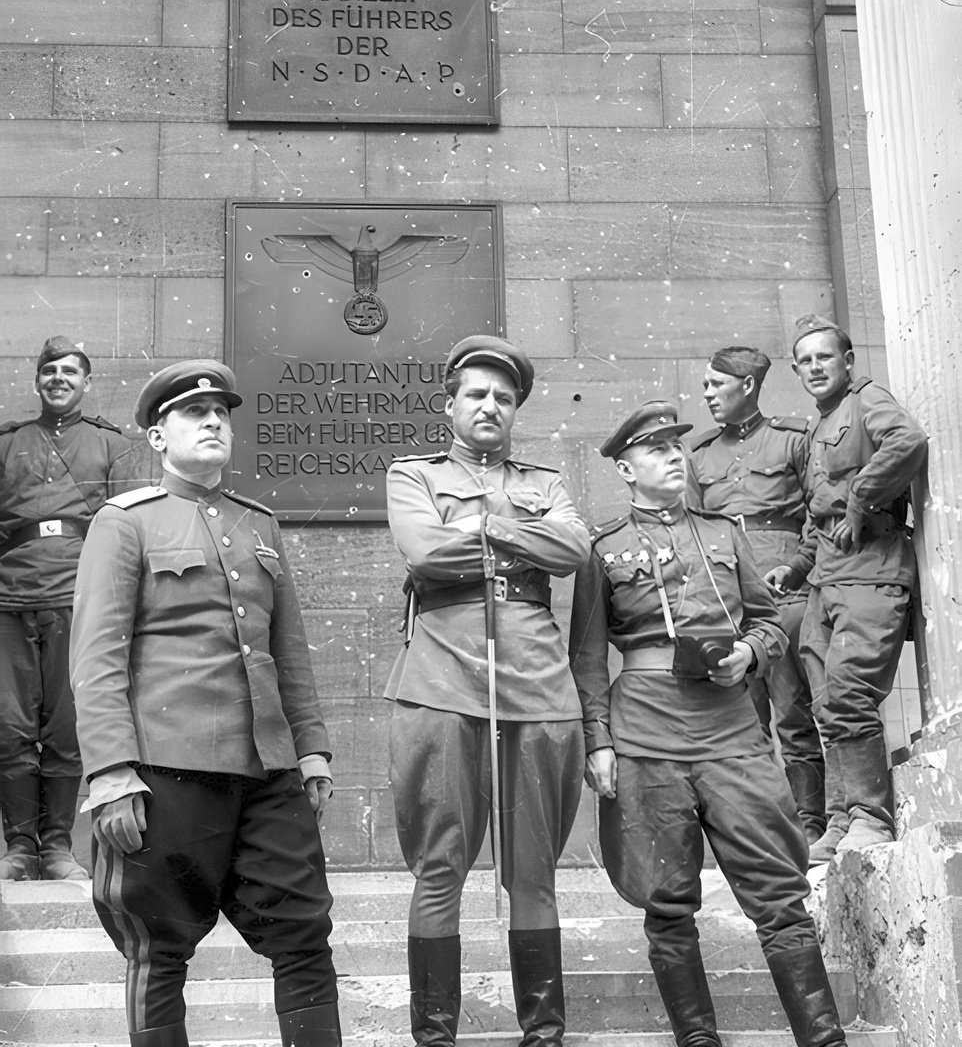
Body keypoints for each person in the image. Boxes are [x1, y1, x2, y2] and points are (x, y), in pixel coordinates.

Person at [69, 361, 340, 1047]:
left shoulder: (259, 525)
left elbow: (289, 653)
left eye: (222, 412)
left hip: (267, 771)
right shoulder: (124, 523)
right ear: (158, 437)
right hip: (165, 769)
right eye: (195, 413)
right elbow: (96, 658)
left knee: (305, 936)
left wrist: (310, 750)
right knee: (158, 947)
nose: (214, 420)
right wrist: (109, 772)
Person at [568, 402, 847, 1047]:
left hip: (730, 730)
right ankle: (697, 1039)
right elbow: (586, 657)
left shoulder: (724, 533)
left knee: (778, 890)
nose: (674, 456)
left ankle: (824, 1038)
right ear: (625, 469)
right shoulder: (602, 549)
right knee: (667, 900)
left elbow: (771, 621)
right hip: (646, 733)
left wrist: (750, 653)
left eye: (677, 446)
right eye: (656, 449)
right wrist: (598, 741)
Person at [384, 335, 590, 1047]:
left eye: (503, 397)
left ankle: (545, 1033)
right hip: (442, 678)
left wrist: (485, 525)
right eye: (475, 394)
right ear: (449, 405)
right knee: (440, 864)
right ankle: (435, 1034)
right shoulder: (412, 475)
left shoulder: (547, 482)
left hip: (536, 681)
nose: (490, 406)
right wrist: (524, 536)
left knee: (533, 870)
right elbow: (424, 552)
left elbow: (574, 550)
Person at [766, 316, 927, 860]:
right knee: (826, 703)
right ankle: (840, 818)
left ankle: (871, 817)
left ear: (847, 361)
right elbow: (820, 517)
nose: (815, 367)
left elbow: (907, 441)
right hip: (826, 579)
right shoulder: (818, 427)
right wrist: (795, 568)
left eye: (824, 357)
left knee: (850, 693)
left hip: (872, 569)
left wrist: (862, 496)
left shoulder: (866, 401)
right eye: (805, 361)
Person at [0, 335, 142, 881]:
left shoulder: (111, 446)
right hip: (9, 598)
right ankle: (19, 848)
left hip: (79, 601)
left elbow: (128, 533)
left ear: (87, 382)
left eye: (69, 371)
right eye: (49, 371)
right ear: (36, 380)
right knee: (10, 725)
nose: (58, 378)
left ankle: (58, 848)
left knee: (66, 727)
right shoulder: (9, 443)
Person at [688, 346, 825, 843]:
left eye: (716, 385)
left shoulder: (793, 439)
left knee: (794, 715)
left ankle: (810, 824)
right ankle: (764, 831)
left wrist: (797, 566)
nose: (707, 395)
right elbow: (692, 533)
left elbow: (820, 513)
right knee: (744, 724)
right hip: (730, 605)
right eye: (705, 385)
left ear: (747, 386)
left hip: (786, 595)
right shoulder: (699, 455)